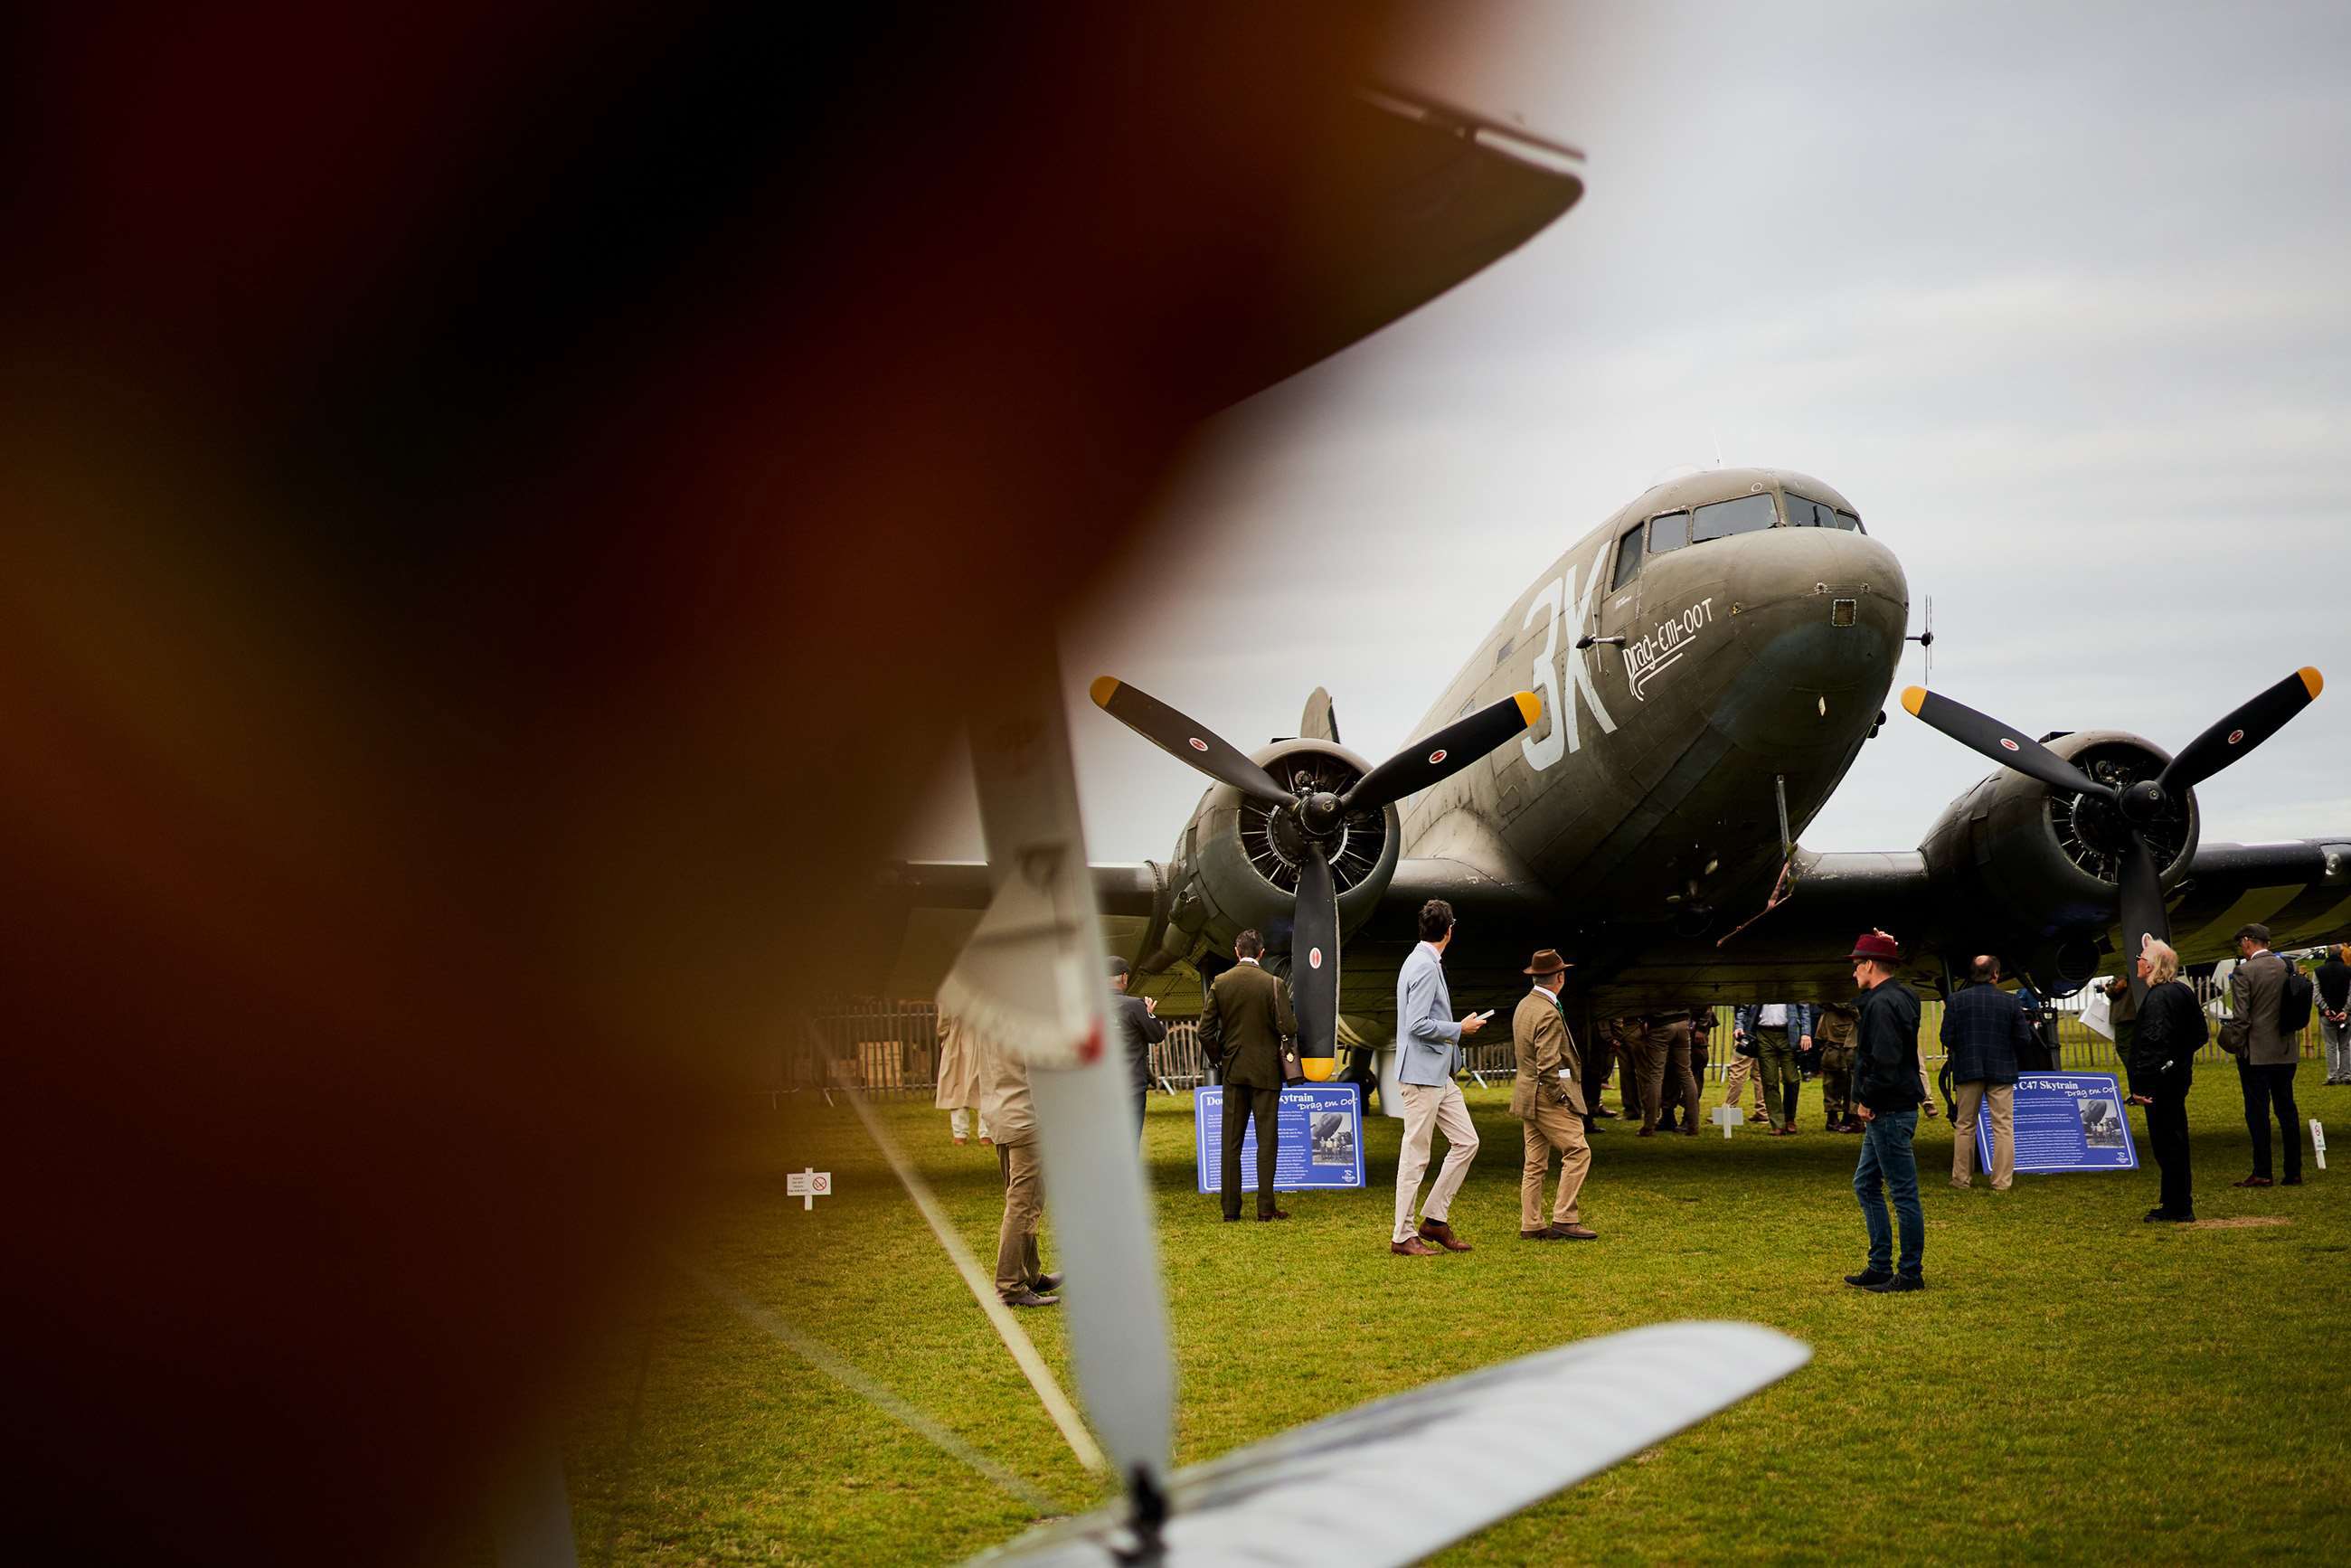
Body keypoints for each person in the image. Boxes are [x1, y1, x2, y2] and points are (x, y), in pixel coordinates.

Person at [1392, 899, 1485, 1255]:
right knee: (1415, 1156)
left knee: (1467, 1142)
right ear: (1449, 931)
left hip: (1437, 1073)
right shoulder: (1424, 965)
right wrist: (1460, 1028)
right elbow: (1416, 1024)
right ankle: (1403, 1235)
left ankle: (1434, 1219)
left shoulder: (1421, 960)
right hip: (1421, 1076)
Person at [1842, 930, 1926, 1292]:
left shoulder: (1880, 1004)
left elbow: (1885, 1060)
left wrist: (1867, 1100)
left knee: (1903, 1193)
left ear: (1871, 965)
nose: (1854, 972)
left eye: (1857, 965)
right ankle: (1879, 1265)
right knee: (1865, 1183)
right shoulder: (1904, 996)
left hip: (1887, 1110)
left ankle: (1909, 1273)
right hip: (1895, 1106)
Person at [1203, 930, 1298, 1221]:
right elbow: (1289, 1028)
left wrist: (1220, 1057)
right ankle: (1266, 1208)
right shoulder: (1274, 983)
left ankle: (1231, 1210)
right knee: (1266, 1141)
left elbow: (1204, 1031)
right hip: (1267, 1071)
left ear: (1236, 951)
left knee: (1231, 1143)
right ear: (1261, 953)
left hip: (1233, 1070)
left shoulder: (1220, 982)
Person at [1510, 949, 1598, 1242]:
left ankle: (1531, 1223)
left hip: (1527, 1093)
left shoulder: (1525, 1004)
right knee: (1578, 1151)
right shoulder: (1547, 1011)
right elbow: (1547, 1064)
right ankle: (1565, 1218)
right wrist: (1559, 1097)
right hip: (1545, 1094)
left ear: (1535, 977)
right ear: (1560, 977)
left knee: (1534, 1162)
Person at [2124, 936, 2206, 1222]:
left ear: (2151, 965)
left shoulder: (2159, 998)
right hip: (2177, 1077)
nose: (2138, 961)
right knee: (2175, 1141)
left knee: (2167, 1144)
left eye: (2141, 957)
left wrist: (2142, 1085)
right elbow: (2200, 1034)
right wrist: (2180, 1057)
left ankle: (2178, 1206)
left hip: (2160, 1082)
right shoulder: (2182, 991)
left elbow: (2153, 1042)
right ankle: (2175, 1201)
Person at [978, 1032, 1061, 1308]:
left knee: (1019, 1200)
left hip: (1000, 1117)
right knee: (1024, 1206)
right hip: (1026, 1122)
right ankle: (1009, 1287)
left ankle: (1030, 1274)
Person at [1940, 955, 2029, 1191]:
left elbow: (1946, 1037)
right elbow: (2023, 1038)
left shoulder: (1956, 1000)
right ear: (1996, 974)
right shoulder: (2010, 1001)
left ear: (1972, 974)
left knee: (1965, 1125)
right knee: (2003, 1126)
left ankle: (1961, 1179)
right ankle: (2002, 1181)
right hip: (2002, 1068)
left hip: (1968, 1068)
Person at [2222, 923, 2300, 1187]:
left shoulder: (2245, 971)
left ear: (2247, 941)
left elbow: (2241, 1017)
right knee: (2287, 1110)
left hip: (2256, 1053)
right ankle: (2293, 1170)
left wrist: (2236, 1045)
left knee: (2257, 1113)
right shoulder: (2287, 966)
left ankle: (2263, 1171)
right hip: (2285, 1049)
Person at [1107, 955, 1166, 1141]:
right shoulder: (1134, 1006)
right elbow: (1158, 1035)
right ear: (1124, 977)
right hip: (1130, 1086)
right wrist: (1149, 1014)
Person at [1732, 1003, 1813, 1135]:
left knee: (1791, 1079)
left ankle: (1789, 1118)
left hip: (1788, 1034)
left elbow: (1804, 1008)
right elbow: (1744, 1007)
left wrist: (1805, 1033)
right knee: (1769, 1081)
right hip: (1763, 1034)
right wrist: (1739, 1026)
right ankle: (1778, 1123)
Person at [1636, 1006, 1704, 1138]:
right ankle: (1693, 1126)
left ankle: (1649, 1127)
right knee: (1686, 1073)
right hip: (1682, 1022)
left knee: (1655, 1075)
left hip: (1660, 1023)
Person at [934, 1006, 991, 1147]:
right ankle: (986, 1133)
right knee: (983, 1085)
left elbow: (944, 1018)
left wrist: (943, 1032)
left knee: (956, 1084)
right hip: (982, 1035)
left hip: (957, 1036)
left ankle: (960, 1134)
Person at [1816, 999, 1861, 1131]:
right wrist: (1857, 1012)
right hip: (1835, 1034)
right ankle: (1834, 1117)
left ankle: (1850, 1116)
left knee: (1850, 1078)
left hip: (1848, 1033)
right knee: (1833, 1078)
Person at [2318, 942, 2351, 1086]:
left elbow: (2316, 993)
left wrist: (2326, 1009)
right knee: (2345, 1046)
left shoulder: (2319, 971)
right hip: (2345, 1015)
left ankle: (2332, 1075)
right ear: (2341, 953)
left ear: (2327, 953)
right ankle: (2346, 1074)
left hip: (2327, 1014)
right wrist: (2345, 1011)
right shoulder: (2348, 971)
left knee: (2330, 1045)